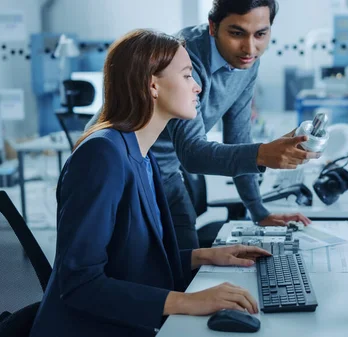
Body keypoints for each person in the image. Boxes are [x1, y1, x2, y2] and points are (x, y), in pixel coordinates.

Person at [29, 29, 271, 337]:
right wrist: (188, 301)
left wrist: (206, 256)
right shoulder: (102, 155)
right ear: (152, 84)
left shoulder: (143, 155)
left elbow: (133, 262)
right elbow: (80, 284)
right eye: (187, 76)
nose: (197, 87)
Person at [87, 0, 315, 251]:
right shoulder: (184, 56)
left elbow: (238, 138)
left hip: (165, 170)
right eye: (236, 33)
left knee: (185, 248)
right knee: (136, 260)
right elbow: (192, 153)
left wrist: (258, 211)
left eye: (260, 34)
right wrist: (262, 153)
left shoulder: (247, 61)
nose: (250, 47)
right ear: (212, 27)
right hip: (123, 165)